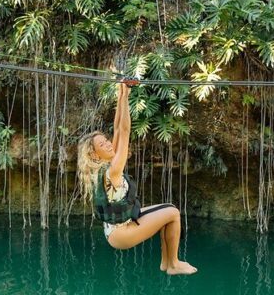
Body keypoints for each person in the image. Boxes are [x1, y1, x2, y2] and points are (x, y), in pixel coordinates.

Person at [77, 80, 197, 275]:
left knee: (170, 212)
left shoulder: (104, 166)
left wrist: (123, 93)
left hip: (117, 229)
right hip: (121, 234)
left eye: (106, 140)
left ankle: (167, 263)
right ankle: (173, 264)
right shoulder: (112, 171)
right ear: (95, 155)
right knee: (173, 214)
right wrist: (125, 94)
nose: (108, 144)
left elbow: (117, 129)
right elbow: (124, 132)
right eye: (102, 145)